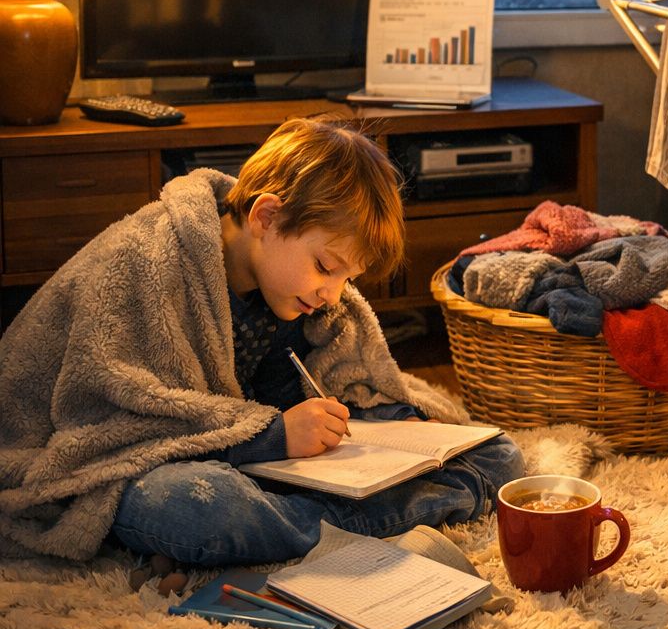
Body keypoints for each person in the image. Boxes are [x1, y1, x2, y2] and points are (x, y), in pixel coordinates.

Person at [0, 116, 523, 587]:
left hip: (246, 450)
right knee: (196, 508)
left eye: (347, 278)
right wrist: (273, 437)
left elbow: (324, 379)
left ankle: (306, 528)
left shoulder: (289, 287)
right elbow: (108, 424)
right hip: (103, 467)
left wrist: (401, 427)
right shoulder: (145, 260)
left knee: (499, 454)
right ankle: (377, 518)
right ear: (267, 217)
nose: (333, 295)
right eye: (326, 266)